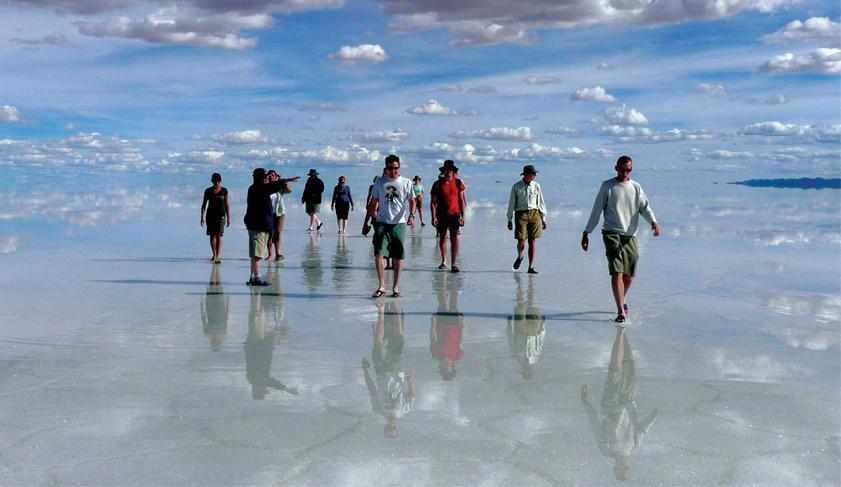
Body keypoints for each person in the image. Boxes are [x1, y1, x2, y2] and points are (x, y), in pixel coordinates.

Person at [581, 155, 660, 324]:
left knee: (629, 274)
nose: (625, 172)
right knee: (617, 271)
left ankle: (622, 299)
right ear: (616, 168)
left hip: (630, 234)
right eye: (622, 169)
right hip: (611, 232)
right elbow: (596, 210)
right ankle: (620, 312)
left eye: (628, 170)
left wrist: (653, 222)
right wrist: (587, 232)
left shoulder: (636, 187)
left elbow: (645, 208)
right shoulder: (607, 186)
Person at [580, 328, 657, 481]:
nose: (624, 466)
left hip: (611, 404)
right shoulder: (634, 449)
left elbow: (595, 424)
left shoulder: (606, 450)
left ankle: (619, 331)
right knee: (629, 364)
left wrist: (585, 403)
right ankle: (624, 329)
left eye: (621, 469)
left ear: (615, 468)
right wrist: (653, 417)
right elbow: (642, 430)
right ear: (628, 466)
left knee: (615, 367)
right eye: (626, 468)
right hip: (629, 402)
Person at [362, 155, 416, 298]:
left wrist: (411, 216)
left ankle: (396, 287)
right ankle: (381, 286)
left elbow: (412, 201)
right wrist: (366, 223)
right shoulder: (379, 183)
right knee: (379, 253)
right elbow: (373, 204)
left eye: (397, 168)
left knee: (398, 256)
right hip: (381, 222)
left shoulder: (406, 182)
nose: (394, 171)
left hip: (399, 223)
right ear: (386, 168)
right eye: (391, 168)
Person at [362, 300, 415, 438]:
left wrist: (365, 372)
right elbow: (411, 396)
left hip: (380, 372)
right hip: (397, 370)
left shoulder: (378, 409)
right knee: (398, 337)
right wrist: (410, 382)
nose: (391, 425)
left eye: (388, 428)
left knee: (377, 343)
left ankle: (381, 311)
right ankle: (396, 305)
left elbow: (372, 390)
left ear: (385, 425)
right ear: (397, 426)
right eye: (393, 428)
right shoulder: (404, 410)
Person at [244, 168, 299, 286]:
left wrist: (283, 181)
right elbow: (272, 187)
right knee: (257, 254)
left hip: (257, 225)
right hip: (258, 226)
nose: (266, 178)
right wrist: (285, 180)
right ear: (258, 178)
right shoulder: (259, 188)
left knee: (255, 252)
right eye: (264, 176)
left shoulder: (254, 188)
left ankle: (253, 276)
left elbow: (273, 186)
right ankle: (257, 277)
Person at [245, 286, 299, 400]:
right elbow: (268, 380)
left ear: (259, 390)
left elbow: (269, 381)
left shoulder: (254, 379)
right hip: (262, 343)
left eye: (265, 391)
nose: (267, 389)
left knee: (256, 314)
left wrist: (284, 388)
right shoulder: (255, 379)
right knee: (260, 313)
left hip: (257, 342)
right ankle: (259, 292)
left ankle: (257, 290)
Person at [506, 164, 547, 274]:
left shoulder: (537, 186)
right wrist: (509, 219)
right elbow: (511, 203)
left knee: (532, 241)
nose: (534, 175)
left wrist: (543, 218)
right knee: (521, 241)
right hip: (521, 214)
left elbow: (540, 202)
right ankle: (520, 256)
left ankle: (531, 267)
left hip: (534, 214)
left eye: (535, 174)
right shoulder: (516, 186)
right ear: (526, 174)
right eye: (532, 174)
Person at [429, 160, 467, 272]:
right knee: (442, 238)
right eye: (446, 170)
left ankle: (454, 264)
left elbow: (461, 200)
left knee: (454, 239)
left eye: (450, 170)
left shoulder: (458, 183)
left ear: (453, 171)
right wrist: (433, 217)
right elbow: (432, 202)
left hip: (454, 214)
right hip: (441, 214)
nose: (448, 172)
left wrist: (463, 215)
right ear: (443, 171)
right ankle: (444, 261)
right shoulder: (437, 184)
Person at [506, 273, 545, 380]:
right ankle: (531, 283)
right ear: (532, 370)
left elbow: (510, 339)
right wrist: (543, 326)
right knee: (532, 304)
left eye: (526, 371)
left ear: (522, 370)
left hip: (520, 329)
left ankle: (519, 285)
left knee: (520, 305)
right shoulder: (535, 357)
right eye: (530, 371)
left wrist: (509, 325)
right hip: (534, 330)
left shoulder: (515, 355)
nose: (528, 369)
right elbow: (540, 342)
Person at [429, 271, 463, 380]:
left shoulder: (436, 355)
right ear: (453, 366)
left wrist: (433, 325)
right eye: (449, 366)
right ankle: (454, 276)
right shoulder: (458, 355)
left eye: (445, 367)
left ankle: (441, 276)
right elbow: (461, 340)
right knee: (454, 299)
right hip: (455, 324)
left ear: (441, 367)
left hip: (441, 324)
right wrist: (462, 325)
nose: (447, 364)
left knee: (442, 299)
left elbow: (432, 338)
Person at [200, 172, 230, 263]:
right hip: (210, 215)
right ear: (212, 181)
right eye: (214, 181)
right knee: (212, 235)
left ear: (220, 181)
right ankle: (214, 254)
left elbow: (227, 204)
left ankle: (218, 256)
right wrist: (202, 216)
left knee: (219, 235)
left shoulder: (224, 191)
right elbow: (204, 204)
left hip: (221, 215)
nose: (216, 183)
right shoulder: (208, 191)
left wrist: (229, 218)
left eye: (218, 181)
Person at [200, 264, 228, 352]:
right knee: (218, 284)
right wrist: (227, 304)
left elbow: (203, 318)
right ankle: (216, 270)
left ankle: (215, 269)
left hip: (210, 305)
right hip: (220, 305)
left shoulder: (207, 331)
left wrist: (202, 305)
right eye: (218, 342)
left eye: (215, 342)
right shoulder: (223, 331)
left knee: (212, 284)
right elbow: (226, 318)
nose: (216, 340)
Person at [267, 170, 291, 261]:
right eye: (269, 175)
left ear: (275, 177)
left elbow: (289, 190)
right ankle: (269, 254)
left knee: (277, 233)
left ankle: (277, 253)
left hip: (279, 213)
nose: (271, 176)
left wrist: (283, 182)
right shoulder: (265, 187)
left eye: (273, 175)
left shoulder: (279, 187)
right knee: (269, 233)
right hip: (268, 213)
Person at [302, 168, 325, 233]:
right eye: (311, 175)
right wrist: (303, 198)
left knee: (312, 212)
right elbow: (305, 189)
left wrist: (315, 193)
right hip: (308, 199)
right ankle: (318, 222)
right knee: (309, 212)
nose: (312, 176)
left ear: (315, 175)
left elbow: (321, 189)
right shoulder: (308, 181)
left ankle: (311, 227)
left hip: (316, 200)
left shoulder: (319, 181)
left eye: (313, 175)